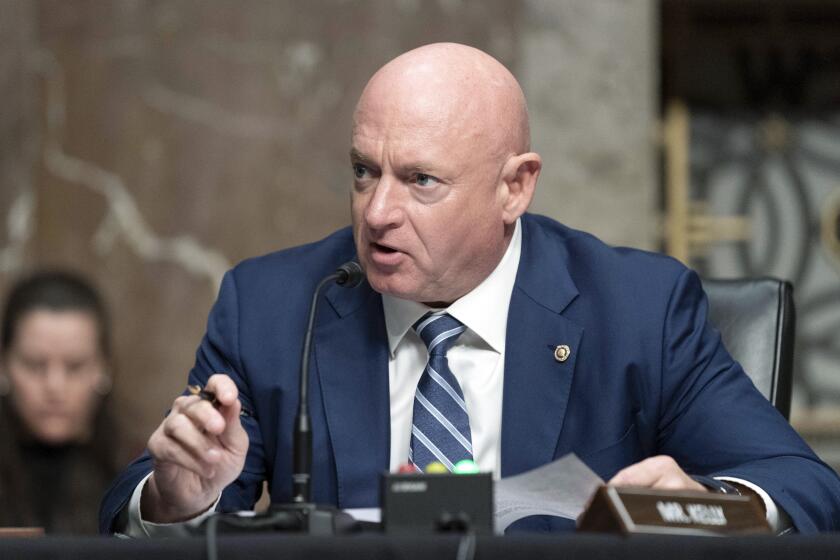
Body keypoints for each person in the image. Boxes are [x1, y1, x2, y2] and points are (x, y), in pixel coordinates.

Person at [101, 43, 840, 535]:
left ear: (515, 186)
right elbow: (140, 507)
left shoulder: (638, 310)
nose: (378, 212)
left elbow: (803, 488)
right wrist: (177, 497)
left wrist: (703, 509)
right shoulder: (274, 304)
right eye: (364, 171)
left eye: (421, 180)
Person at [0, 271, 120, 534]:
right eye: (34, 365)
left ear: (103, 369)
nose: (55, 387)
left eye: (75, 366)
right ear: (4, 366)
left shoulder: (139, 476)